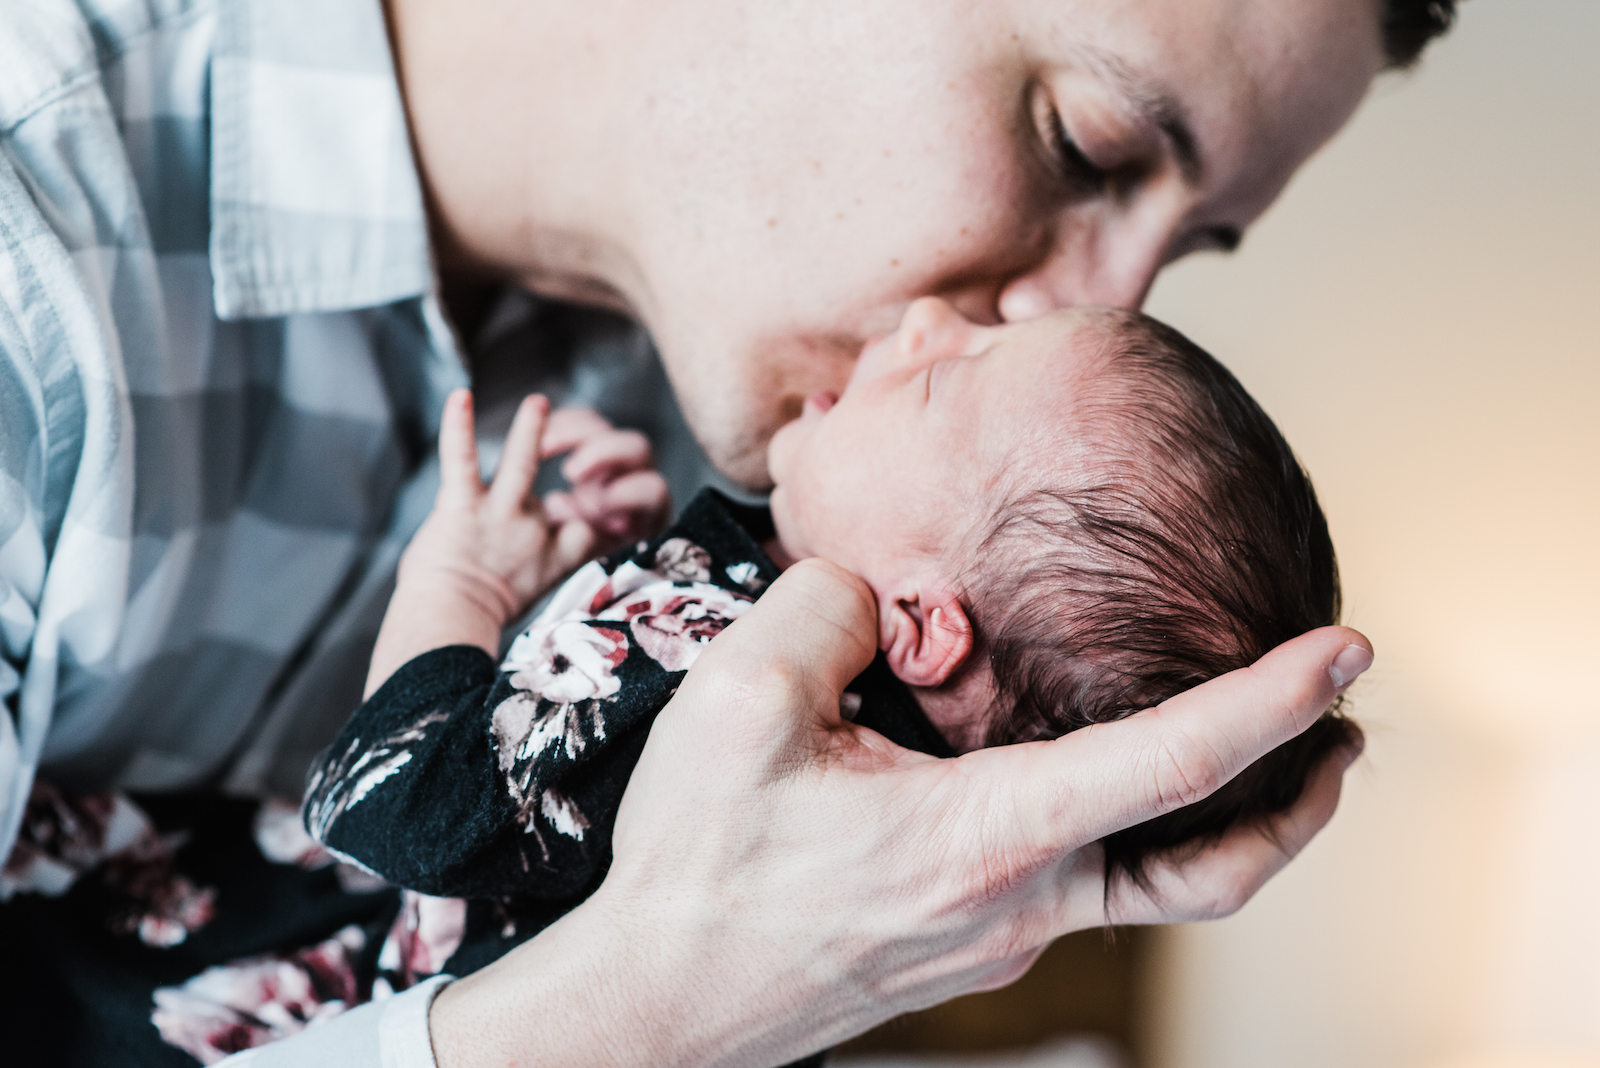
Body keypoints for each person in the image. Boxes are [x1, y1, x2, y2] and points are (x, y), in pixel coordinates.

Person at [0, 0, 1451, 1063]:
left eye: (1186, 244)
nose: (1098, 309)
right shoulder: (31, 262)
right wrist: (638, 1017)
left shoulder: (791, 487)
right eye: (1087, 143)